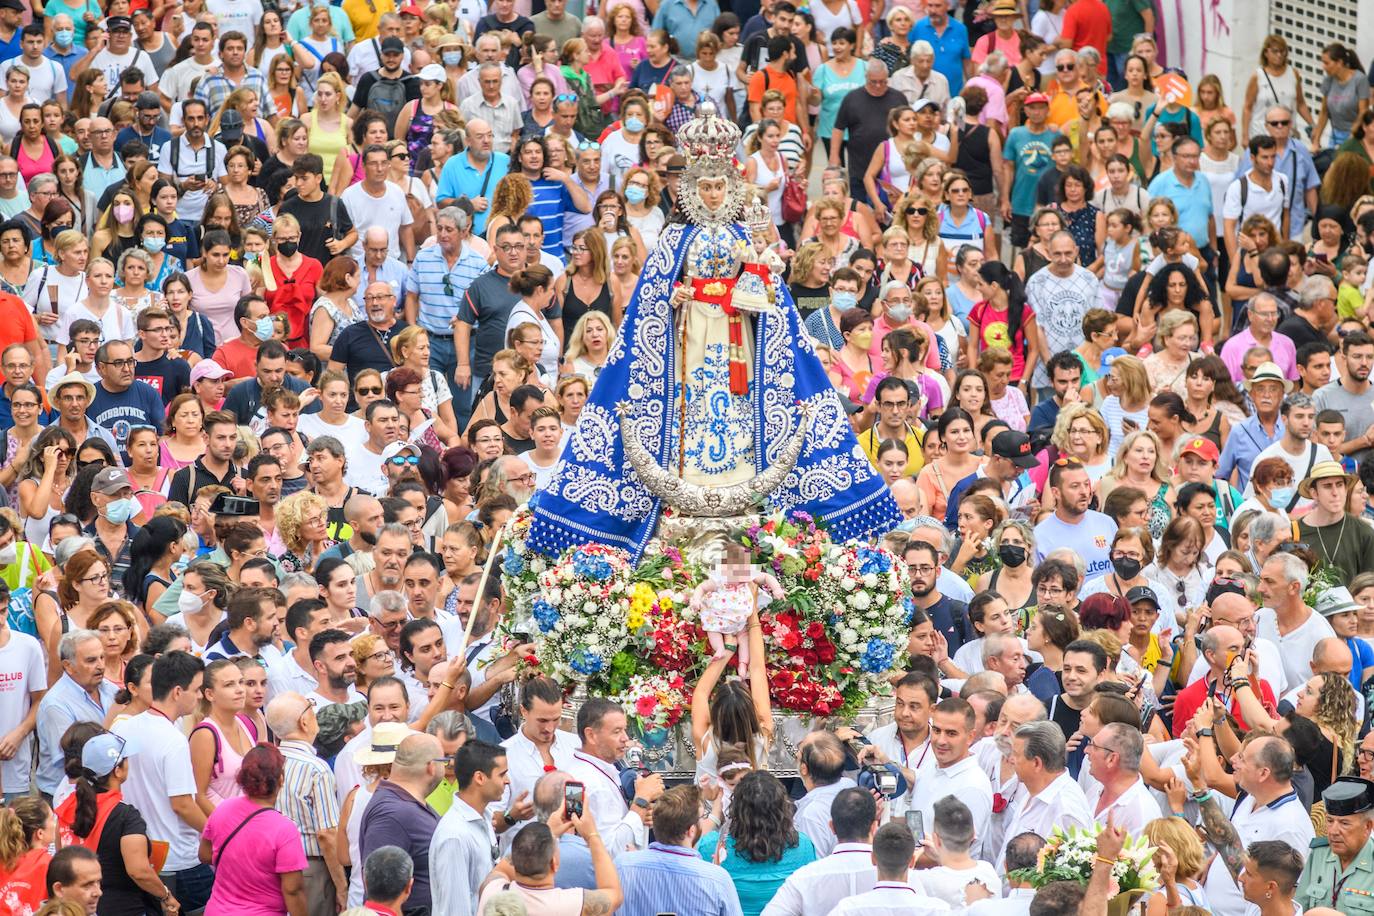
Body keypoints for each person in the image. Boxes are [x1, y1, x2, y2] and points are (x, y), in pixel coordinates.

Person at [112, 651, 210, 913]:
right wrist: (217, 832)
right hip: (180, 860)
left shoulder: (124, 727)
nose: (200, 696)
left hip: (142, 854)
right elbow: (182, 804)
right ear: (178, 692)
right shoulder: (173, 739)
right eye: (197, 689)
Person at [199, 743, 309, 916]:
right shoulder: (284, 829)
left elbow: (204, 855)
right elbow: (292, 890)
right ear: (281, 779)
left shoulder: (222, 809)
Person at [824, 822, 944, 915]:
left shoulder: (847, 909)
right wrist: (941, 858)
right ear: (912, 862)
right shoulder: (937, 910)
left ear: (873, 859)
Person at [1293, 776, 1374, 910]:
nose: (1333, 831)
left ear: (1367, 826)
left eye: (1344, 823)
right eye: (1330, 821)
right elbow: (1300, 907)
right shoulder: (1319, 854)